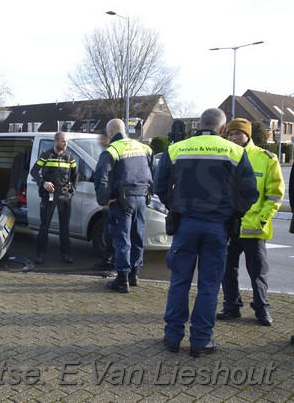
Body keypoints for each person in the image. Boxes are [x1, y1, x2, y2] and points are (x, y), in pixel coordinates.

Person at [154, 108, 258, 357]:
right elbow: (250, 193)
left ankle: (172, 338)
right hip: (217, 226)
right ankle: (201, 341)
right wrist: (233, 213)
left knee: (179, 282)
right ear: (222, 129)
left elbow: (159, 186)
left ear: (198, 126)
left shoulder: (177, 148)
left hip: (185, 224)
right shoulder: (235, 151)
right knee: (209, 285)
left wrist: (175, 206)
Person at [217, 118, 285, 326]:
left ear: (248, 135)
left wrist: (262, 219)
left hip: (254, 228)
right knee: (227, 271)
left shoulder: (266, 158)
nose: (234, 138)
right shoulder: (223, 156)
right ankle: (231, 306)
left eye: (238, 134)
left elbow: (274, 194)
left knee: (258, 273)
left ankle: (261, 309)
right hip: (228, 227)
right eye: (230, 134)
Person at [94, 119, 153, 293]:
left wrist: (103, 201)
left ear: (110, 133)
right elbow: (153, 170)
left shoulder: (111, 150)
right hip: (141, 198)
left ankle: (122, 279)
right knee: (137, 236)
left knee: (122, 239)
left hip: (121, 200)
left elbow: (101, 177)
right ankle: (134, 275)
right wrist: (149, 193)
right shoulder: (144, 147)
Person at [29, 131, 77, 264]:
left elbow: (75, 175)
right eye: (63, 141)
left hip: (64, 196)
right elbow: (33, 171)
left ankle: (66, 254)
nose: (65, 144)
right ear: (56, 141)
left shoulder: (70, 157)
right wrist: (43, 183)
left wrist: (72, 191)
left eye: (66, 141)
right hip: (48, 196)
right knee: (45, 226)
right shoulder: (46, 155)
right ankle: (40, 254)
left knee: (65, 227)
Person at [92, 133, 115, 272]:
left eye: (101, 139)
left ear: (108, 138)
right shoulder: (107, 152)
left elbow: (101, 177)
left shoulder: (110, 153)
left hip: (112, 201)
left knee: (114, 234)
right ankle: (106, 260)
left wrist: (103, 201)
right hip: (111, 200)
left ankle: (114, 266)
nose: (99, 142)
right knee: (107, 233)